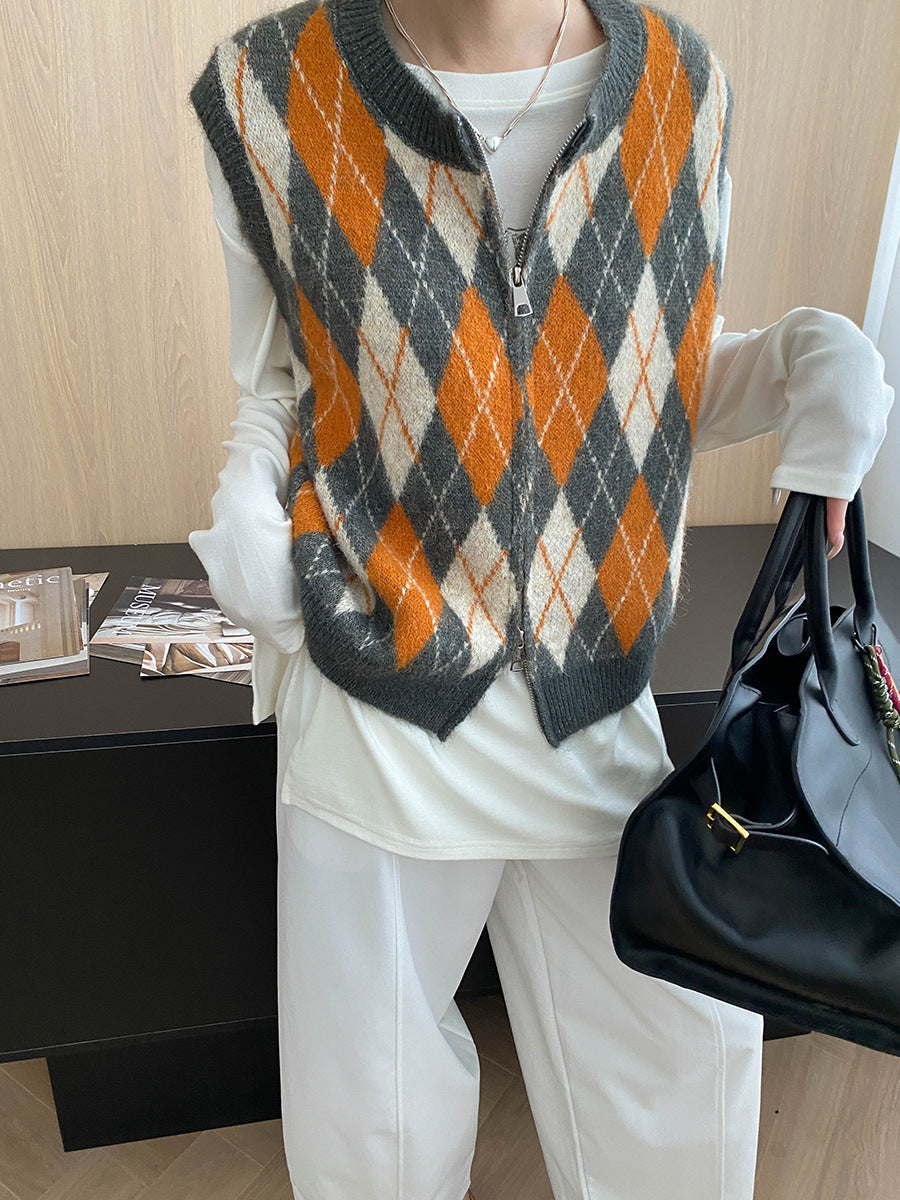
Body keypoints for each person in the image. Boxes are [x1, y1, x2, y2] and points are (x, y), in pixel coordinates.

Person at [186, 2, 895, 1198]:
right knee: (375, 1144)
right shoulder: (267, 86)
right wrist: (251, 505)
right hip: (379, 716)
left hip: (596, 708)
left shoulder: (683, 88)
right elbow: (287, 384)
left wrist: (799, 365)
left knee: (677, 1104)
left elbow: (655, 368)